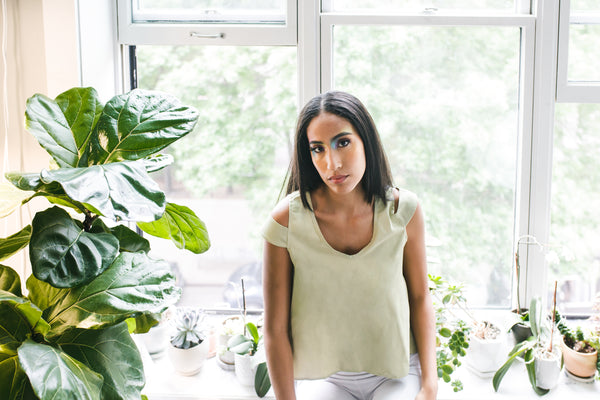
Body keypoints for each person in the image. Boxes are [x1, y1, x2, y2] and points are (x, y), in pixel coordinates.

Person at [261, 91, 437, 400]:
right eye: (318, 149)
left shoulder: (403, 211)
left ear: (366, 141)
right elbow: (275, 329)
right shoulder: (285, 222)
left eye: (343, 142)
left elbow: (420, 298)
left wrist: (430, 385)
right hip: (325, 377)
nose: (333, 163)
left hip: (397, 371)